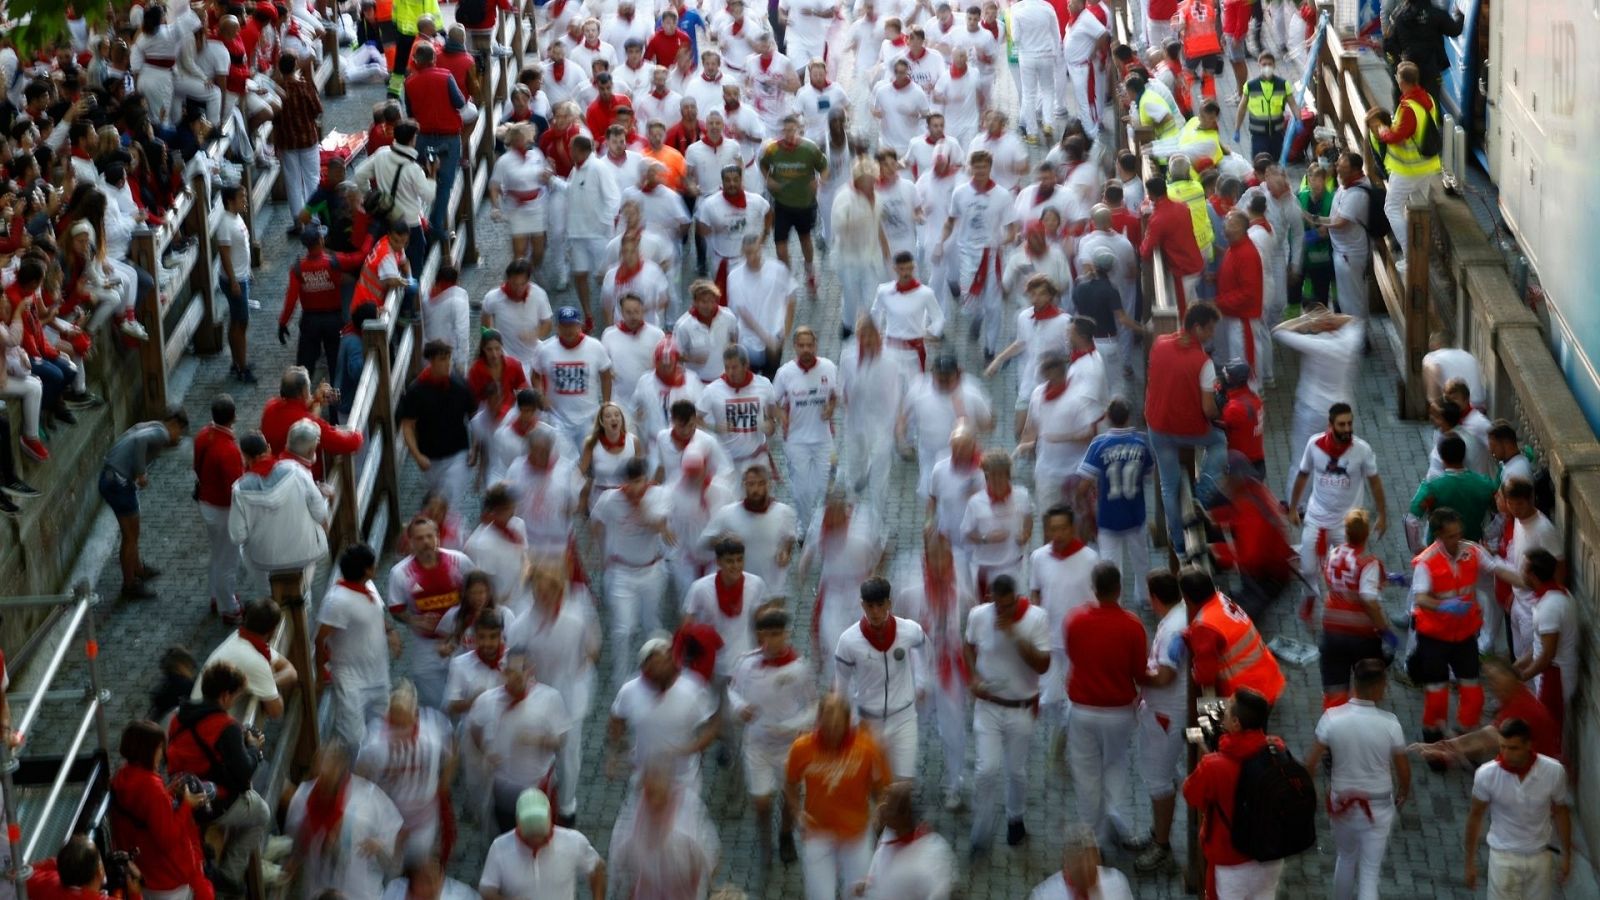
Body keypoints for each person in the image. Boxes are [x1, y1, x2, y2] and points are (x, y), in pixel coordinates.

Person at [1408, 507, 1521, 742]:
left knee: (1473, 693)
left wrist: (1526, 582)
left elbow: (1496, 568)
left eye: (1458, 534)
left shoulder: (1471, 551)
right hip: (1434, 637)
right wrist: (1444, 606)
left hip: (1465, 634)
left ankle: (1464, 738)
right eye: (1450, 536)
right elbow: (1420, 598)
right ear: (1439, 535)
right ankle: (1434, 739)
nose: (1456, 540)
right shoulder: (1427, 562)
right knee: (1437, 695)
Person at [1304, 659, 1411, 900]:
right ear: (1378, 687)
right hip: (1379, 804)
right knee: (1370, 872)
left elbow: (1310, 763)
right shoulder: (1390, 724)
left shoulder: (1331, 718)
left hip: (1342, 801)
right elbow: (1403, 768)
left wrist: (1309, 796)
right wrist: (1405, 790)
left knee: (1345, 857)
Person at [1063, 563, 1149, 851]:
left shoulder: (1075, 620)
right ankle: (1120, 822)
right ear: (1119, 589)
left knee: (1087, 773)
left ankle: (1093, 839)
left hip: (1083, 709)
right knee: (1117, 766)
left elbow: (1072, 656)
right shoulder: (1133, 625)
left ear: (1094, 588)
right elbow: (1139, 671)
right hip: (1119, 711)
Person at [166, 663, 271, 895]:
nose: (235, 700)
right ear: (225, 696)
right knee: (262, 813)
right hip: (210, 802)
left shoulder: (178, 718)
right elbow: (244, 771)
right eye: (236, 695)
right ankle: (230, 875)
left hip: (181, 796)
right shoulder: (226, 727)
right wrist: (254, 749)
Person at [964, 574, 1050, 853]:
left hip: (1020, 707)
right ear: (990, 599)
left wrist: (1015, 635)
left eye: (1007, 606)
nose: (1001, 612)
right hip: (988, 706)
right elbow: (968, 645)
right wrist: (974, 677)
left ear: (1016, 598)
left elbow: (1042, 665)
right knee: (986, 769)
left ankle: (1016, 818)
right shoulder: (978, 615)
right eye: (996, 606)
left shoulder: (1036, 619)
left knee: (1016, 771)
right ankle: (981, 829)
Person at [729, 608, 817, 871]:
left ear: (786, 634)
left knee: (790, 795)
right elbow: (732, 691)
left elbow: (813, 707)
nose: (772, 641)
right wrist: (740, 707)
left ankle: (786, 835)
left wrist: (791, 725)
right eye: (766, 635)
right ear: (759, 636)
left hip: (790, 746)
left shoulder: (800, 668)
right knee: (761, 801)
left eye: (777, 634)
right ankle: (766, 838)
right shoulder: (746, 663)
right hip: (757, 745)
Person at [785, 693, 893, 900]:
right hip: (817, 833)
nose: (832, 733)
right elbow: (790, 784)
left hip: (856, 835)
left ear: (847, 723)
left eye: (837, 726)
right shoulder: (801, 748)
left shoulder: (867, 748)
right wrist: (798, 813)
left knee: (860, 896)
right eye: (827, 726)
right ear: (818, 722)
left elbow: (882, 789)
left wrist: (879, 814)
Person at [1182, 688, 1285, 897]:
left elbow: (1191, 794)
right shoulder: (1278, 749)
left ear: (1237, 723)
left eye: (1227, 710)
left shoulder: (1214, 766)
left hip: (1230, 862)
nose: (1222, 714)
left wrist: (1203, 751)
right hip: (1271, 857)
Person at [1289, 402, 1389, 611]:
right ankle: (1310, 594)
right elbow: (1303, 475)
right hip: (1317, 517)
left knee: (1350, 572)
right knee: (1308, 570)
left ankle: (1343, 607)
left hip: (1347, 524)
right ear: (1330, 424)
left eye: (1349, 424)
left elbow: (1375, 482)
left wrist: (1382, 515)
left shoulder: (1362, 450)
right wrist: (1292, 507)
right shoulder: (1314, 445)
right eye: (1341, 424)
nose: (1347, 429)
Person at [1144, 303, 1226, 551]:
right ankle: (1201, 495)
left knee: (1168, 486)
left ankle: (1179, 545)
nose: (1212, 334)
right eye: (1209, 329)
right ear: (1197, 327)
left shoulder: (1159, 344)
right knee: (1220, 441)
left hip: (1157, 427)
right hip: (1189, 430)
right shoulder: (1204, 363)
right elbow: (1209, 409)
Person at [1463, 719, 1572, 898]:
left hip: (1539, 858)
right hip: (1503, 858)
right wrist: (1469, 863)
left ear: (1528, 745)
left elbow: (1561, 812)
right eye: (1502, 747)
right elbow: (1475, 816)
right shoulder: (1486, 774)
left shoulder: (1553, 771)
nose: (1506, 754)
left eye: (1513, 748)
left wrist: (1567, 855)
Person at [465, 648, 570, 833]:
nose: (518, 676)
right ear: (504, 673)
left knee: (538, 834)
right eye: (512, 671)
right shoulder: (488, 701)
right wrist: (485, 750)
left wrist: (541, 740)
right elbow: (474, 726)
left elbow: (561, 738)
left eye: (523, 669)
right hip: (503, 786)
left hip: (537, 787)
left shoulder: (549, 698)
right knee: (506, 831)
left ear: (531, 670)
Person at [832, 576, 927, 779]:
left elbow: (925, 651)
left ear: (889, 603)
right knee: (876, 785)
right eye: (869, 606)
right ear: (862, 605)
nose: (875, 612)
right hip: (869, 721)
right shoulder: (848, 641)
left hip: (904, 717)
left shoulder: (910, 630)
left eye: (880, 605)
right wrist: (849, 719)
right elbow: (841, 684)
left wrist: (921, 680)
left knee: (903, 785)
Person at [108, 720, 214, 900]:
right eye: (159, 748)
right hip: (167, 878)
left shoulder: (122, 776)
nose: (162, 754)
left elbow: (144, 814)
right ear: (149, 751)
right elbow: (167, 838)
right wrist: (187, 805)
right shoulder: (151, 787)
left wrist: (168, 792)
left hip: (143, 868)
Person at [591, 457, 674, 682]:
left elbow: (658, 526)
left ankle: (658, 674)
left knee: (652, 625)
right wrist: (601, 554)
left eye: (640, 481)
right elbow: (596, 523)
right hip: (621, 573)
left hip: (652, 571)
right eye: (631, 483)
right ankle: (622, 680)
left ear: (646, 479)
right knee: (623, 629)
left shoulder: (659, 494)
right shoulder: (610, 499)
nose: (636, 487)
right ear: (624, 482)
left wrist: (640, 505)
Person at [286, 741, 402, 899]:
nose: (325, 772)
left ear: (342, 767)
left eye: (331, 765)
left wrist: (381, 847)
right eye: (320, 765)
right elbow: (293, 847)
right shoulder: (302, 799)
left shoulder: (370, 798)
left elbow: (395, 861)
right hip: (318, 893)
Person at [355, 681, 454, 861]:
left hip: (423, 819)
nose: (400, 732)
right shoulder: (373, 743)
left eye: (404, 724)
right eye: (395, 724)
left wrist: (444, 784)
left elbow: (452, 753)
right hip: (388, 822)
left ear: (415, 716)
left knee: (417, 864)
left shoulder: (433, 733)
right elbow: (360, 777)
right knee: (391, 870)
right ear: (388, 716)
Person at [1272, 309, 1365, 497]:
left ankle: (1297, 502)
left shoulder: (1315, 345)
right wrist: (1332, 319)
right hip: (1340, 410)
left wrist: (1306, 320)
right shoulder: (1348, 341)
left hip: (1311, 408)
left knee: (1302, 457)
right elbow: (1355, 320)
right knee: (1339, 456)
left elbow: (1279, 331)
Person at [608, 638, 720, 792]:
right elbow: (617, 718)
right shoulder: (629, 691)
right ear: (646, 667)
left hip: (684, 781)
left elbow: (712, 725)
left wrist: (693, 748)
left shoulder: (692, 689)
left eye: (669, 660)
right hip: (646, 779)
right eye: (661, 663)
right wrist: (616, 751)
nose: (668, 666)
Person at [101, 407, 188, 600]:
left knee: (132, 532)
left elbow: (132, 436)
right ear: (175, 425)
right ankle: (129, 584)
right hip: (119, 482)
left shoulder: (151, 426)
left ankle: (137, 568)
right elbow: (139, 441)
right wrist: (141, 472)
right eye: (179, 432)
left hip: (112, 478)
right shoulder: (162, 433)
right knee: (130, 535)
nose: (177, 437)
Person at [229, 420, 331, 583]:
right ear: (268, 448)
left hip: (264, 560)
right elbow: (319, 510)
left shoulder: (239, 490)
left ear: (245, 457)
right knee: (313, 582)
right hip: (307, 551)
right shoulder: (295, 470)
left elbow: (238, 536)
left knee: (263, 587)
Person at [387, 515, 473, 710]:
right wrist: (413, 620)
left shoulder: (459, 562)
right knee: (434, 704)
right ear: (410, 542)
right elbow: (396, 609)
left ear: (438, 537)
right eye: (419, 538)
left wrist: (458, 632)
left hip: (460, 642)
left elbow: (476, 596)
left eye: (429, 536)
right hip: (425, 647)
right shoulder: (399, 573)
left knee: (464, 697)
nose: (426, 542)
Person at [316, 543, 397, 749]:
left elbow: (375, 615)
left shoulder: (367, 586)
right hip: (351, 679)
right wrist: (320, 672)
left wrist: (390, 631)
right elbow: (321, 638)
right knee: (353, 739)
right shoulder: (337, 601)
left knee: (383, 730)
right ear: (367, 570)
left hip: (378, 673)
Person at [1077, 400, 1153, 606]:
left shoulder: (1100, 444)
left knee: (1109, 565)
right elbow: (1148, 473)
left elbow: (1083, 485)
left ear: (1108, 417)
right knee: (1141, 559)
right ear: (1128, 417)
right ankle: (1145, 598)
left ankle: (1113, 604)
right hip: (1135, 514)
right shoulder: (1142, 442)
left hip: (1108, 518)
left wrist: (1085, 508)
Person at [1181, 567, 1286, 703]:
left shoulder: (1205, 626)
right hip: (1266, 678)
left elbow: (1204, 676)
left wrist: (1193, 672)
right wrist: (1187, 635)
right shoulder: (1220, 599)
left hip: (1248, 693)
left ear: (1187, 598)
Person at [479, 788, 606, 899]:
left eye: (541, 834)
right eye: (530, 835)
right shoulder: (499, 848)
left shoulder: (573, 841)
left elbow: (597, 868)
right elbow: (487, 890)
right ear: (518, 821)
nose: (536, 842)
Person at [771, 327, 839, 529]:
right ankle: (805, 526)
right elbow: (772, 402)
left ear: (816, 345)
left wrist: (831, 408)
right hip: (796, 440)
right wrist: (781, 415)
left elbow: (835, 394)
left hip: (824, 438)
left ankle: (827, 523)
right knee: (802, 491)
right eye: (801, 345)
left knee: (828, 486)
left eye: (810, 345)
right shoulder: (785, 373)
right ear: (794, 347)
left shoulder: (828, 367)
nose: (806, 349)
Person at [398, 340, 478, 508]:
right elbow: (407, 426)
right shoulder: (416, 391)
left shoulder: (461, 386)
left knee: (449, 501)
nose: (448, 363)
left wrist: (475, 448)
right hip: (430, 457)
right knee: (437, 503)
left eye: (449, 358)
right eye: (442, 359)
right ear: (432, 361)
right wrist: (417, 455)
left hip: (458, 454)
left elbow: (474, 417)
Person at [192, 599, 299, 721]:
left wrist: (270, 680)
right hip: (208, 729)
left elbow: (291, 672)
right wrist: (267, 680)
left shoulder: (239, 638)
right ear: (272, 631)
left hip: (199, 719)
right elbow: (276, 711)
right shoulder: (254, 660)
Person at [1512, 549, 1576, 741]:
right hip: (1551, 674)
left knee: (1548, 734)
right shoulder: (1554, 597)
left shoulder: (1550, 606)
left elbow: (1547, 655)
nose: (1520, 572)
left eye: (1523, 568)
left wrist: (1520, 679)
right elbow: (1539, 645)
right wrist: (1514, 668)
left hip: (1554, 678)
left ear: (1532, 575)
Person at [193, 395, 245, 623]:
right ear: (233, 417)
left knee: (217, 553)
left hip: (206, 502)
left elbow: (197, 466)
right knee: (228, 560)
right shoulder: (228, 450)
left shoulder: (203, 435)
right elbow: (234, 488)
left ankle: (215, 594)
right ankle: (229, 607)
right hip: (223, 509)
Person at [697, 346, 781, 486]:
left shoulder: (763, 385)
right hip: (728, 461)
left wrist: (771, 425)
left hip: (756, 457)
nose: (730, 372)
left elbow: (773, 412)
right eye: (727, 367)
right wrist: (713, 427)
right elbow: (694, 419)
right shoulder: (712, 390)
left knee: (759, 500)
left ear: (745, 365)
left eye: (734, 367)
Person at [563, 134, 623, 328]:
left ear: (579, 151)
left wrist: (604, 223)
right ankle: (588, 315)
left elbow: (614, 198)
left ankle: (611, 314)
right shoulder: (575, 170)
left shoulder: (599, 168)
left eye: (571, 148)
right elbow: (571, 193)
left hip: (598, 234)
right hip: (577, 233)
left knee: (603, 277)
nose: (569, 152)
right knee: (580, 274)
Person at [278, 224, 350, 382]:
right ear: (321, 240)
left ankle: (301, 402)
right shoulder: (334, 262)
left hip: (310, 321)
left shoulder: (298, 268)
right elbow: (357, 260)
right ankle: (336, 404)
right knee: (336, 367)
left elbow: (291, 301)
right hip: (334, 320)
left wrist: (283, 323)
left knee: (303, 369)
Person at [862, 781, 957, 898]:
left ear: (904, 818)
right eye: (885, 798)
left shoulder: (928, 861)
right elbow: (880, 858)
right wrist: (869, 882)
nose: (881, 808)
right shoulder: (890, 831)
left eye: (889, 807)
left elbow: (940, 893)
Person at [961, 450, 1034, 598]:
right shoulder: (975, 502)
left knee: (1013, 604)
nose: (995, 480)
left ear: (1008, 475)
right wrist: (986, 538)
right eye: (991, 475)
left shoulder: (1022, 495)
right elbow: (966, 534)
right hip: (986, 567)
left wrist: (1026, 534)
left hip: (1014, 564)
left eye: (999, 475)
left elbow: (1028, 517)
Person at [1318, 152, 1373, 320]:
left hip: (1350, 254)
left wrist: (1315, 220)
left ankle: (1358, 337)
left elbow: (1341, 222)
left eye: (1342, 168)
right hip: (1343, 251)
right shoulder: (1347, 184)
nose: (1337, 170)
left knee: (1353, 299)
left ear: (1355, 171)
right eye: (1338, 166)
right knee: (1346, 296)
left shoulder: (1358, 194)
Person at [1140, 176, 1206, 314]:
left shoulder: (1158, 219)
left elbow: (1145, 251)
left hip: (1183, 269)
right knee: (1192, 306)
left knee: (1183, 314)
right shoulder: (1182, 206)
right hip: (1194, 262)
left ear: (1151, 195)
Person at [1028, 823, 1136, 899]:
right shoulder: (1044, 896)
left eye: (1091, 866)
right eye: (1079, 866)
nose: (1086, 871)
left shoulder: (1117, 883)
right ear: (1066, 865)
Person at [1383, 0, 1465, 97]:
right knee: (1430, 103)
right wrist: (1460, 16)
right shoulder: (1436, 14)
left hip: (1409, 71)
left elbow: (1389, 45)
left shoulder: (1400, 16)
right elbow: (1455, 30)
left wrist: (1399, 62)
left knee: (1409, 103)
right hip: (1431, 70)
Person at [1234, 51, 1289, 160]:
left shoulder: (1282, 85)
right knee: (1260, 162)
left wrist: (1298, 120)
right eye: (1264, 64)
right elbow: (1242, 108)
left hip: (1277, 133)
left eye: (1270, 64)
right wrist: (1237, 128)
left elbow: (1292, 104)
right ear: (1259, 65)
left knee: (1275, 162)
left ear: (1274, 65)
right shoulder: (1251, 86)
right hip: (1258, 134)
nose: (1267, 67)